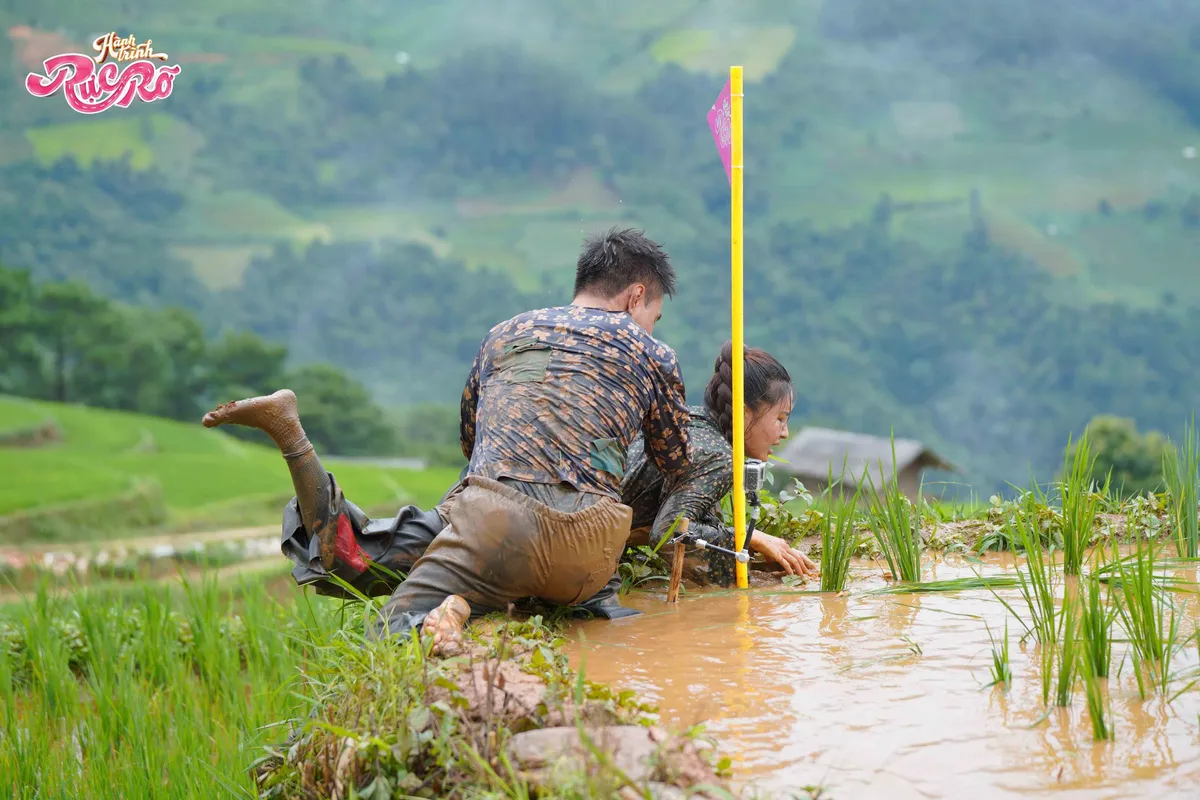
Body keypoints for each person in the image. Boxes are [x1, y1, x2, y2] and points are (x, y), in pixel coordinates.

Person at [201, 227, 691, 653]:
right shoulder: (653, 351)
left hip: (490, 521)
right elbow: (675, 461)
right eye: (655, 313)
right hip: (589, 547)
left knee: (383, 617)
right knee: (482, 549)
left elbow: (471, 443)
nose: (651, 324)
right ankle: (462, 596)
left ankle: (297, 445)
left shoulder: (504, 334)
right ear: (635, 296)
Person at [620, 341, 818, 587]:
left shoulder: (695, 423)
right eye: (779, 419)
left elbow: (687, 520)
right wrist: (749, 539)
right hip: (582, 541)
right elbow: (669, 533)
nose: (785, 432)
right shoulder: (719, 456)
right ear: (744, 413)